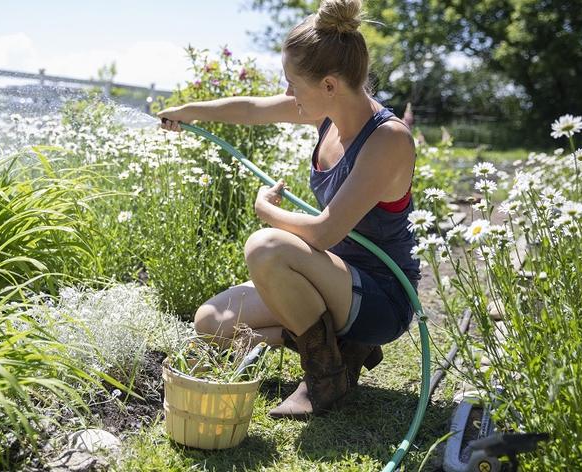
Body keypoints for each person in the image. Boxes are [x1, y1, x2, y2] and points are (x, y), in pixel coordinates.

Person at [157, 0, 420, 420]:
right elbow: (253, 109)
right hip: (330, 279)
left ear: (330, 85)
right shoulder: (329, 117)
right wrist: (189, 113)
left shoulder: (388, 139)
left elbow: (323, 233)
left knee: (266, 247)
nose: (286, 94)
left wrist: (267, 212)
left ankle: (325, 374)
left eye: (293, 83)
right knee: (212, 322)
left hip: (380, 296)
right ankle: (341, 345)